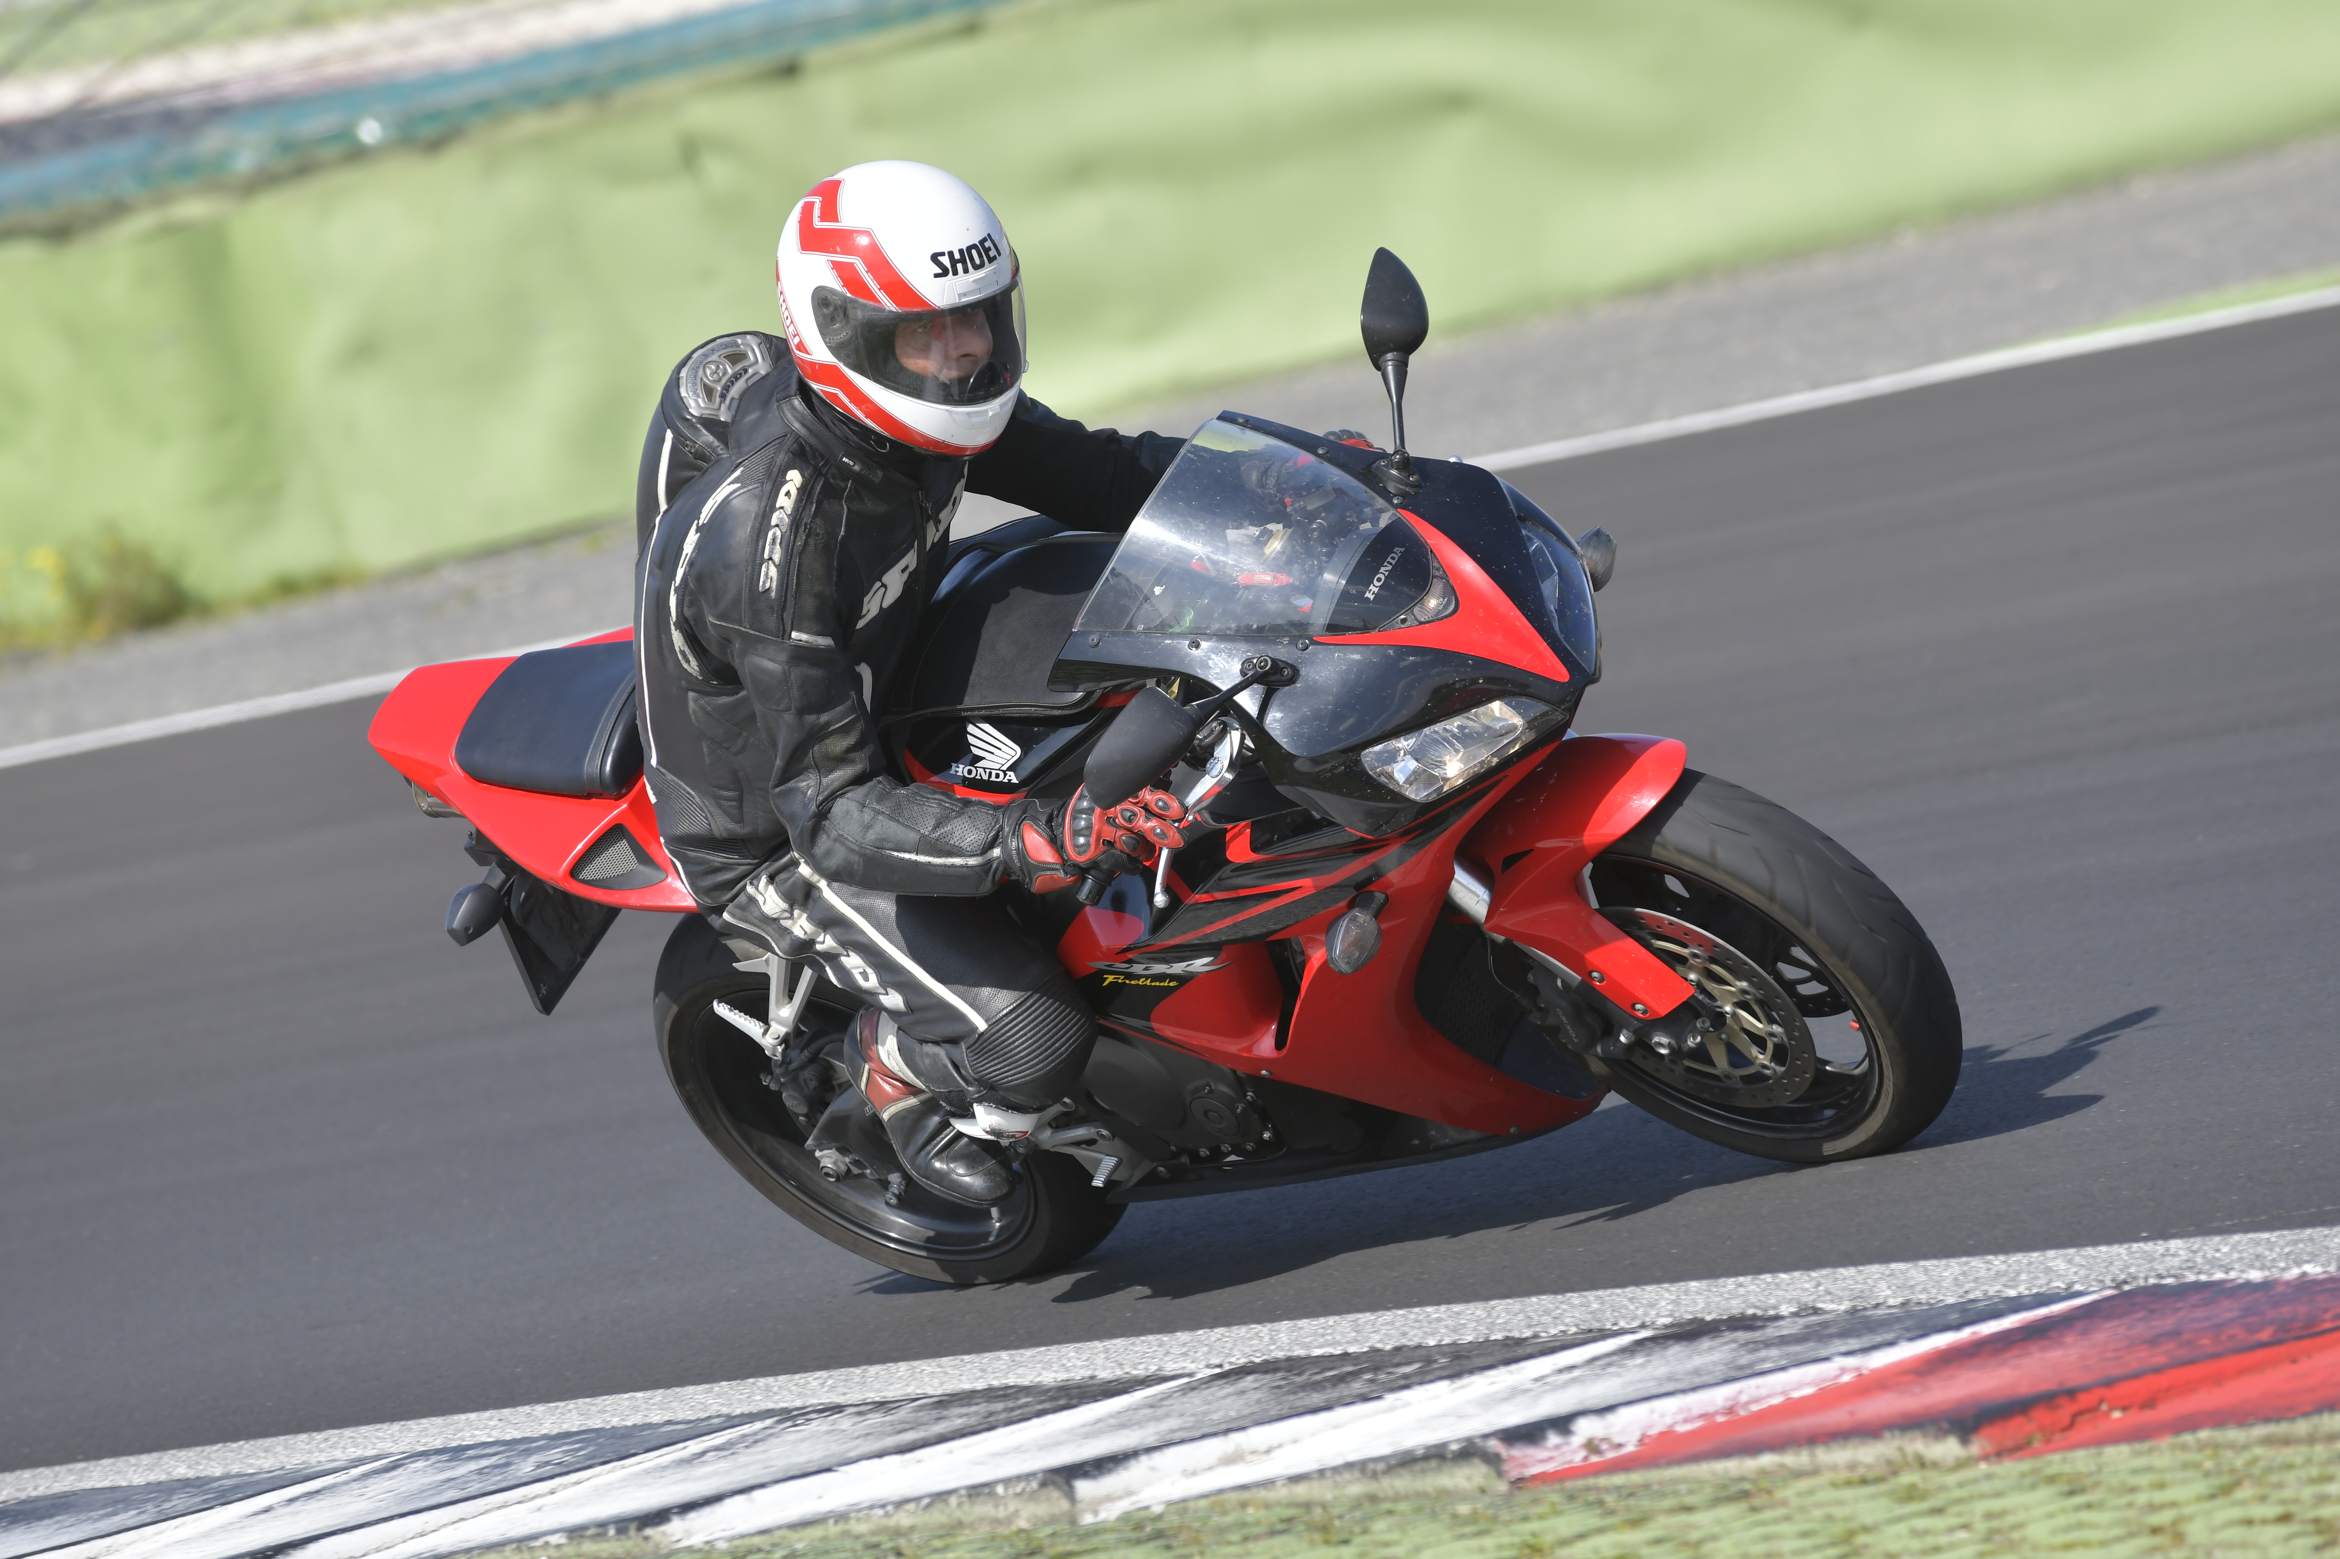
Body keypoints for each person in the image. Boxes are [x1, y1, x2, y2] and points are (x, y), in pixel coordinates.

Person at [632, 160, 1190, 1207]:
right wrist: (1040, 834)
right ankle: (890, 1075)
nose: (966, 347)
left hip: (878, 683)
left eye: (977, 316)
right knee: (1033, 1040)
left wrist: (1284, 482)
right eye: (927, 331)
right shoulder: (772, 541)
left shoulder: (922, 411)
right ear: (844, 337)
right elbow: (832, 812)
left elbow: (1107, 474)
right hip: (780, 830)